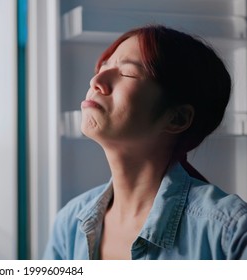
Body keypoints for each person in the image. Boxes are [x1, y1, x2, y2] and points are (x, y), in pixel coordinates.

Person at [43, 25, 247, 260]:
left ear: (177, 118)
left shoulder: (229, 232)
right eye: (103, 67)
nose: (96, 80)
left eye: (127, 73)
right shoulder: (70, 224)